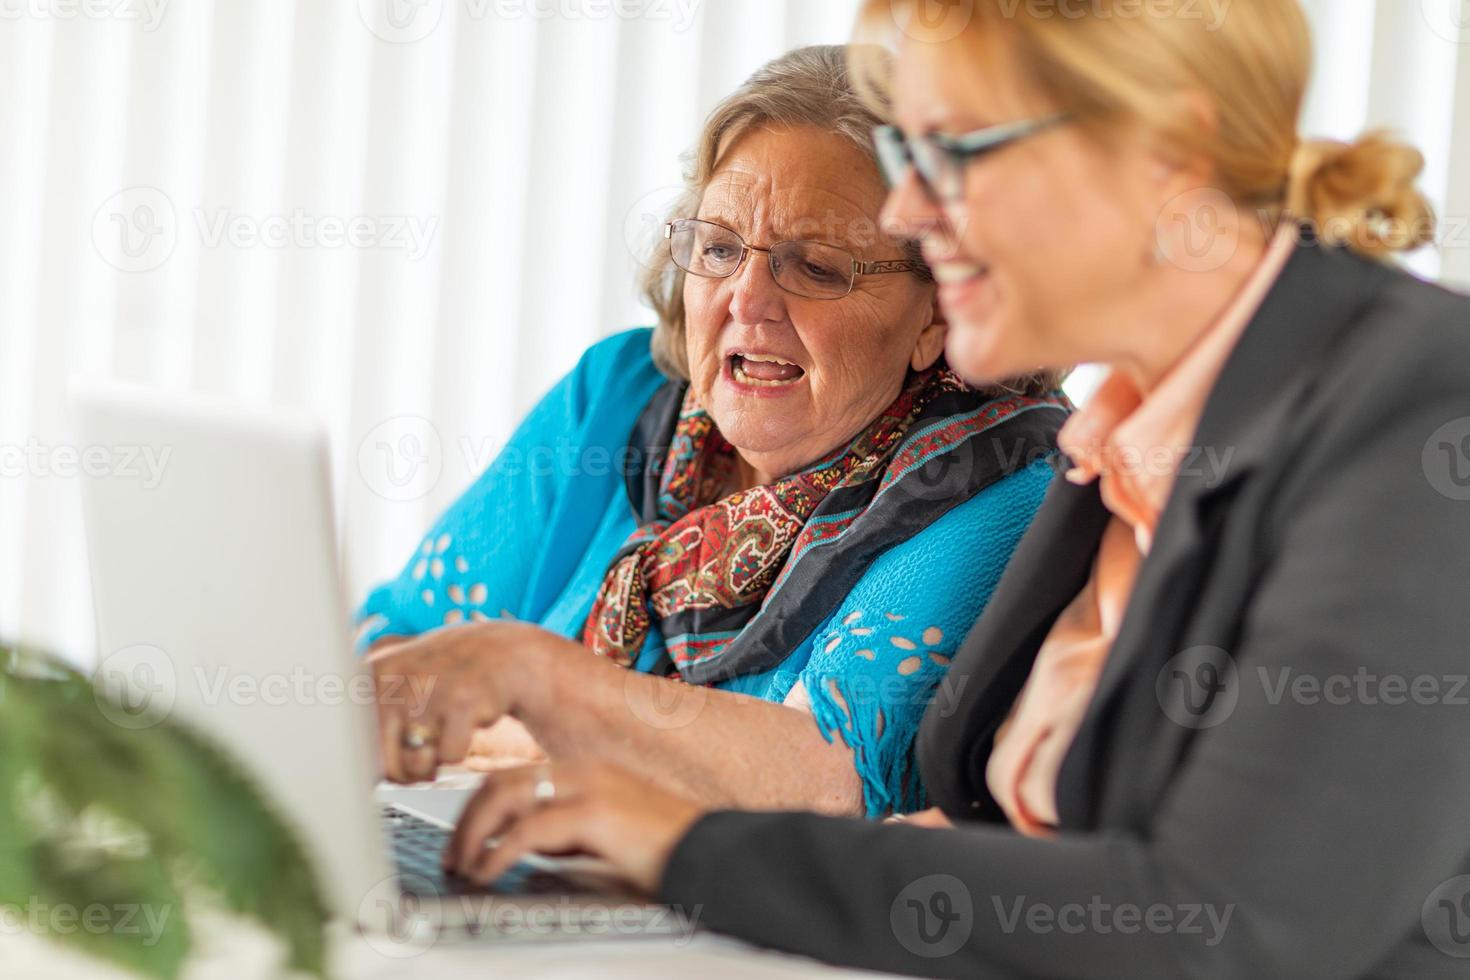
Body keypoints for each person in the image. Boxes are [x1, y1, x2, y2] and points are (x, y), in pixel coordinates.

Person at [441, 3, 1470, 977]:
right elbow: (1005, 845)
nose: (905, 211)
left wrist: (689, 848)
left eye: (955, 152)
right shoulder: (1127, 439)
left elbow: (1226, 924)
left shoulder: (1417, 406)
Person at [363, 44, 1069, 819]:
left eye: (815, 266)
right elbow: (395, 649)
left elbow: (831, 778)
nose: (747, 299)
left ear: (938, 309)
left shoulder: (1005, 487)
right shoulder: (616, 398)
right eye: (722, 248)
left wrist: (530, 688)